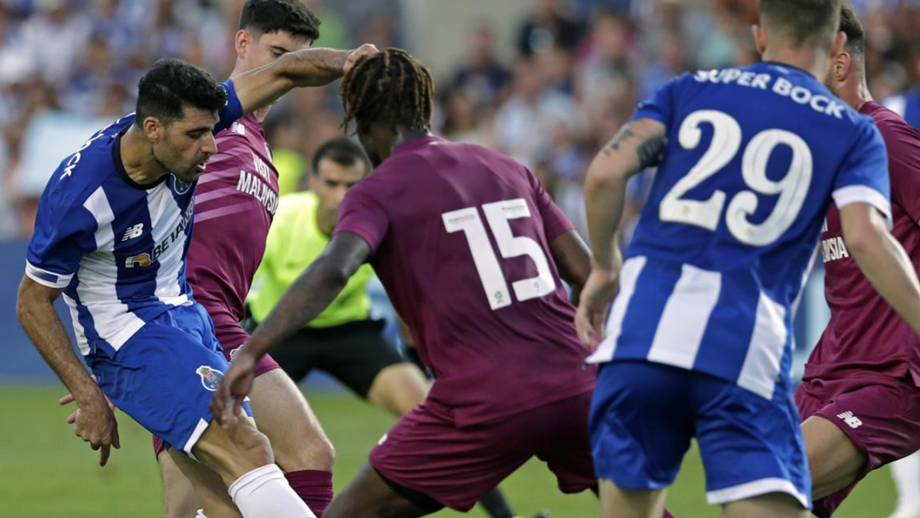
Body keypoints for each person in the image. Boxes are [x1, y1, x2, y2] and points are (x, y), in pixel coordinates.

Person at [212, 48, 604, 518]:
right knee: (639, 508)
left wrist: (251, 351)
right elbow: (588, 273)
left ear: (362, 120)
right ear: (424, 106)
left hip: (481, 397)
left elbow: (334, 269)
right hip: (579, 381)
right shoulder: (508, 168)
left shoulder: (378, 191)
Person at [575, 1, 920, 518]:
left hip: (888, 374)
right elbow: (866, 239)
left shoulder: (873, 135)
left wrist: (604, 267)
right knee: (765, 502)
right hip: (801, 364)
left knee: (781, 478)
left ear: (762, 39)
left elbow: (604, 174)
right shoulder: (832, 134)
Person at [17, 40, 376, 518]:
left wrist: (351, 61)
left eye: (212, 130)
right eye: (197, 135)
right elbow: (31, 302)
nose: (212, 145)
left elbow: (286, 70)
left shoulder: (184, 131)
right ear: (152, 129)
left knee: (223, 501)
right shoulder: (79, 198)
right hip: (131, 339)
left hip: (187, 317)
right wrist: (88, 394)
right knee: (248, 449)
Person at [247, 135, 542, 518]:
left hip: (351, 332)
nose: (341, 195)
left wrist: (417, 358)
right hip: (281, 334)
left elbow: (405, 294)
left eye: (352, 185)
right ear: (313, 183)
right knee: (238, 427)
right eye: (332, 183)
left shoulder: (371, 218)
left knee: (446, 420)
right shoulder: (282, 217)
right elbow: (240, 277)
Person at [796, 4, 920, 518]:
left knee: (774, 476)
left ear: (839, 63)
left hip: (894, 377)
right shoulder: (823, 155)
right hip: (829, 371)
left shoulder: (885, 138)